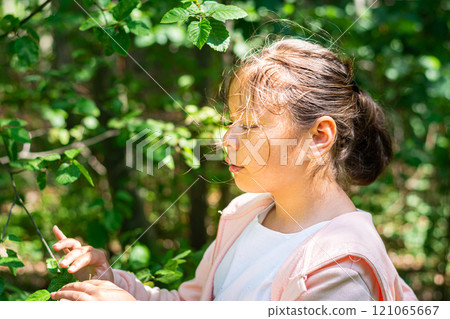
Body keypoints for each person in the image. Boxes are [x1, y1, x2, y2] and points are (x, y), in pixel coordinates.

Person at [50, 38, 418, 301]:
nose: (227, 138)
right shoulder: (243, 215)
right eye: (232, 121)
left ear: (319, 137)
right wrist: (107, 282)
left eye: (252, 125)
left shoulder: (341, 268)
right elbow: (189, 307)